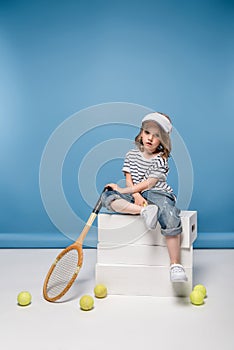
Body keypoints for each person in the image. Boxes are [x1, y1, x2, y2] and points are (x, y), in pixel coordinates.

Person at [101, 111, 187, 282]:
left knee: (168, 215)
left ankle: (175, 265)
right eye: (147, 132)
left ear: (163, 140)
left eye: (157, 136)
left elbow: (150, 183)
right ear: (141, 132)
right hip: (135, 193)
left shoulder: (161, 159)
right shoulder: (131, 155)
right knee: (108, 196)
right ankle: (144, 212)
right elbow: (129, 178)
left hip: (158, 192)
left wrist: (126, 191)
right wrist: (135, 196)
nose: (150, 138)